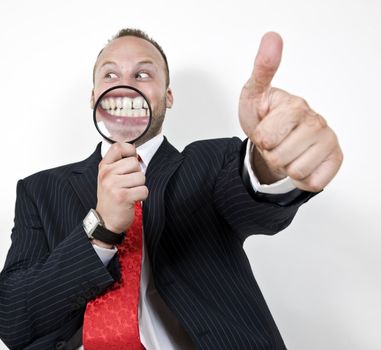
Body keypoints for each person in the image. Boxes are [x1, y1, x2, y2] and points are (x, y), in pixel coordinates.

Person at [0, 28, 343, 350]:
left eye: (142, 74)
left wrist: (270, 160)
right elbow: (14, 321)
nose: (124, 85)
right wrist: (100, 229)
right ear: (93, 98)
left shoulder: (211, 163)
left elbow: (250, 192)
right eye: (110, 75)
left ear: (168, 96)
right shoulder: (40, 190)